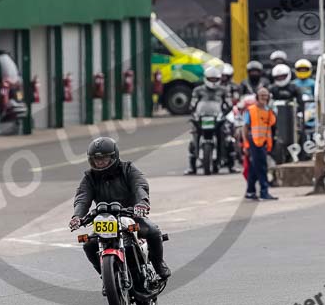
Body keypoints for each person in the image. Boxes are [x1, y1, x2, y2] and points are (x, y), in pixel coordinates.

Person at [69, 137, 170, 280]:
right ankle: (105, 275)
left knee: (153, 231)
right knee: (88, 245)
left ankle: (159, 264)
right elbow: (82, 197)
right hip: (104, 219)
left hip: (131, 215)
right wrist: (77, 216)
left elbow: (139, 185)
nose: (100, 162)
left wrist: (141, 203)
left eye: (104, 158)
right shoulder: (89, 177)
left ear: (114, 157)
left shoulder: (128, 169)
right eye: (96, 159)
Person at [187, 65, 232, 174]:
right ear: (205, 78)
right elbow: (193, 103)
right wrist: (192, 109)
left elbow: (229, 104)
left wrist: (225, 112)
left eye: (215, 79)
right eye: (210, 79)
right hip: (202, 117)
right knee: (194, 137)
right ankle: (192, 166)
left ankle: (231, 163)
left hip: (218, 117)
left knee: (227, 137)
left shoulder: (223, 90)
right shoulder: (198, 90)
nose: (213, 81)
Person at [243, 87, 278, 201]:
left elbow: (272, 122)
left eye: (266, 95)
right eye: (262, 95)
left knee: (254, 168)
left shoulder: (268, 111)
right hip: (254, 141)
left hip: (263, 142)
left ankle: (250, 191)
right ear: (257, 97)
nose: (264, 98)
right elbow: (245, 127)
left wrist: (270, 108)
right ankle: (264, 192)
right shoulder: (251, 110)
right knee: (262, 168)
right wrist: (246, 144)